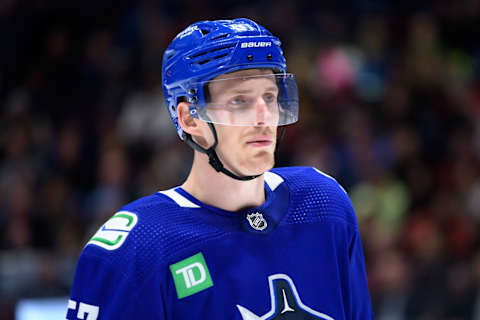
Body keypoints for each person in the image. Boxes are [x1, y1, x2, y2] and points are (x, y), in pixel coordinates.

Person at [66, 18, 373, 320]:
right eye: (240, 101)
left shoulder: (324, 204)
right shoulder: (137, 247)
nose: (263, 117)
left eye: (270, 96)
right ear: (189, 119)